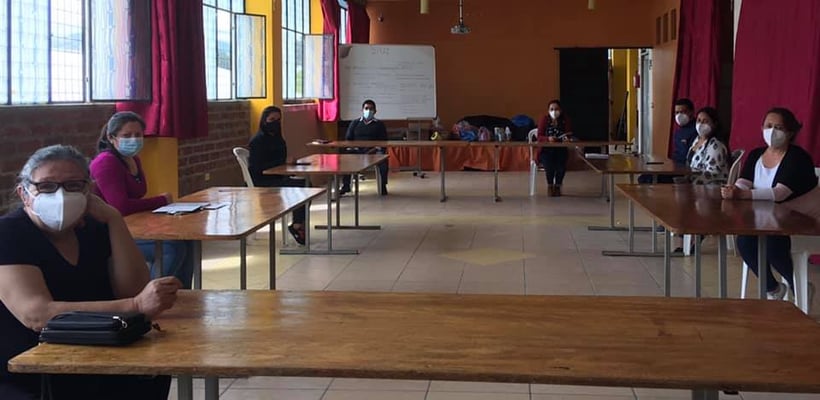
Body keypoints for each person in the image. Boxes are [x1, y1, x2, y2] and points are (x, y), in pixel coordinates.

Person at [0, 144, 180, 399]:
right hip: (31, 370)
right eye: (47, 186)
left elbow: (132, 288)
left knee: (153, 374)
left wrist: (114, 219)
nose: (61, 195)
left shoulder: (94, 228)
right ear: (24, 193)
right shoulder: (9, 233)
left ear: (89, 191)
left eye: (73, 185)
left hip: (99, 355)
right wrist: (135, 305)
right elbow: (37, 315)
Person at [721, 107, 817, 300]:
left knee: (773, 243)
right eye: (768, 126)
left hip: (802, 221)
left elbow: (779, 193)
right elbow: (745, 181)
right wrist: (734, 189)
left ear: (790, 132)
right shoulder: (756, 154)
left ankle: (798, 286)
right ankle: (773, 288)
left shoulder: (797, 157)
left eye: (779, 127)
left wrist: (743, 194)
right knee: (745, 242)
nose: (772, 131)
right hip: (768, 220)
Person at [90, 111, 194, 289]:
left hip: (129, 225)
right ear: (111, 137)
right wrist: (162, 200)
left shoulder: (133, 160)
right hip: (107, 232)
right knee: (171, 248)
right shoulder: (106, 162)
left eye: (138, 135)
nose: (134, 140)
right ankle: (153, 294)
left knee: (187, 239)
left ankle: (182, 294)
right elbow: (120, 206)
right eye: (127, 135)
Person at [247, 105, 307, 245]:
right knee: (302, 188)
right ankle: (298, 225)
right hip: (263, 181)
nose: (275, 123)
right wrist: (282, 162)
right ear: (264, 120)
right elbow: (257, 167)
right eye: (272, 119)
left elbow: (282, 160)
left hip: (279, 177)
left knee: (306, 184)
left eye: (278, 120)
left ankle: (298, 223)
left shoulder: (278, 139)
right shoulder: (257, 141)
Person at [638, 98, 698, 184]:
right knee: (644, 177)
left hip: (684, 170)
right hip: (673, 166)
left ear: (691, 112)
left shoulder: (696, 131)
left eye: (683, 112)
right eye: (677, 112)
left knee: (651, 179)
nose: (679, 115)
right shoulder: (679, 131)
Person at [341, 99, 389, 196]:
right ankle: (346, 186)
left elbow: (383, 141)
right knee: (346, 159)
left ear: (375, 111)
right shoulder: (355, 123)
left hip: (373, 152)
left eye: (371, 109)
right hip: (357, 151)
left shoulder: (379, 125)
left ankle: (382, 185)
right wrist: (354, 148)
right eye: (366, 108)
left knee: (383, 161)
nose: (368, 111)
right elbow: (348, 139)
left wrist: (374, 149)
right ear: (362, 110)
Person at [536, 99, 573, 197]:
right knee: (549, 167)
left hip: (560, 150)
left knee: (561, 167)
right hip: (546, 150)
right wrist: (548, 138)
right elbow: (539, 137)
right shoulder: (544, 120)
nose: (554, 111)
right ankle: (550, 185)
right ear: (548, 111)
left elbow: (569, 134)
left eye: (556, 109)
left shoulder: (565, 120)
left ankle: (557, 186)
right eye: (551, 109)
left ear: (560, 110)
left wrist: (566, 138)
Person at [685, 106, 729, 185]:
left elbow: (712, 173)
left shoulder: (716, 145)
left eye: (705, 121)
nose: (700, 124)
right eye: (699, 120)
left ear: (714, 124)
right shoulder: (697, 140)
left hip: (710, 186)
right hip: (693, 181)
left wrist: (690, 184)